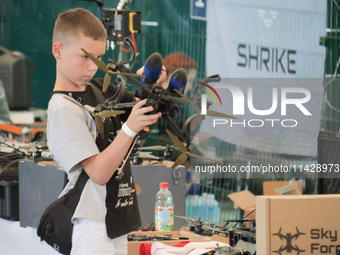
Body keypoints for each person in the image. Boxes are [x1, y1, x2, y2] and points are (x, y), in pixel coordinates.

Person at [47, 8, 166, 255]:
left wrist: (154, 92)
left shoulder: (101, 89)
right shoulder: (63, 108)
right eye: (85, 57)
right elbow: (99, 172)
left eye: (99, 58)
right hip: (91, 226)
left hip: (115, 218)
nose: (92, 67)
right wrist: (130, 127)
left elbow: (143, 115)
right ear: (58, 50)